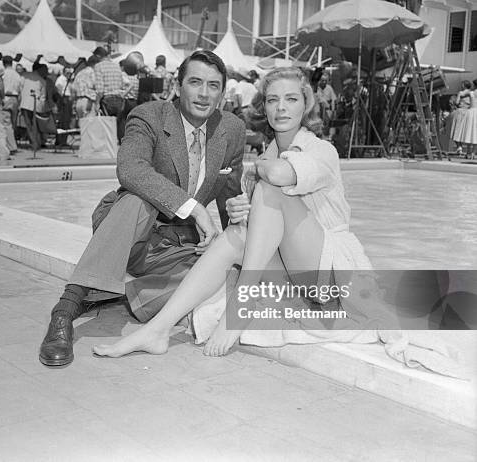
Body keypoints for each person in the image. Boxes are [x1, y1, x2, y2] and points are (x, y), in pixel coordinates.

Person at [92, 66, 371, 359]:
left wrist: (257, 175)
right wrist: (247, 213)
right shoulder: (268, 155)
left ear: (306, 103)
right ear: (264, 106)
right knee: (236, 234)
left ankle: (239, 308)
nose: (281, 108)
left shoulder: (321, 150)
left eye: (291, 99)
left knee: (269, 189)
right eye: (273, 100)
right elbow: (272, 230)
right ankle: (157, 330)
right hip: (293, 280)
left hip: (334, 278)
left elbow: (278, 174)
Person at [39, 50, 246, 367]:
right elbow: (131, 170)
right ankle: (66, 310)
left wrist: (238, 212)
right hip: (136, 233)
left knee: (221, 277)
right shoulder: (149, 115)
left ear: (222, 92)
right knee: (138, 199)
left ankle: (127, 294)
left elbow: (229, 186)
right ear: (177, 87)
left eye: (214, 86)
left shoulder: (230, 129)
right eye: (195, 82)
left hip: (179, 247)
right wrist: (193, 207)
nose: (204, 94)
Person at [93, 46, 124, 135]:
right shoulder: (116, 66)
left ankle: (109, 148)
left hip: (107, 100)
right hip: (119, 99)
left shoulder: (98, 66)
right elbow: (121, 84)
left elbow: (100, 89)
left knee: (107, 128)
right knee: (119, 128)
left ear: (98, 56)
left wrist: (97, 103)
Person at [0, 55, 22, 155]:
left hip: (6, 97)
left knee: (6, 123)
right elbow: (20, 90)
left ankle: (12, 147)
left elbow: (0, 86)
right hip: (15, 98)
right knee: (13, 123)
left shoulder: (3, 73)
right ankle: (11, 144)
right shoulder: (17, 75)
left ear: (3, 63)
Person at [455, 81, 477, 160]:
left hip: (471, 112)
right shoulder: (471, 92)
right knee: (475, 133)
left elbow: (462, 94)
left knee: (469, 132)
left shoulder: (471, 93)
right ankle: (473, 153)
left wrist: (459, 93)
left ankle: (468, 152)